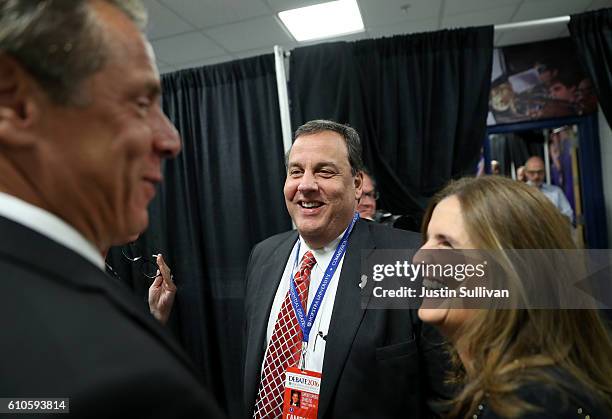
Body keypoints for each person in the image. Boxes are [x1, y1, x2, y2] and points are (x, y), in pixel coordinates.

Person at [0, 1, 223, 417]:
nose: (171, 140)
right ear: (16, 102)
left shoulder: (385, 257)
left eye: (327, 171)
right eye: (140, 103)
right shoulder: (120, 380)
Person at [243, 120, 449, 418]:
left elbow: (449, 396)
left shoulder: (410, 259)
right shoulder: (263, 256)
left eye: (325, 171)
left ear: (356, 184)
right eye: (296, 171)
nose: (307, 185)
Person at [418, 176, 612, 418]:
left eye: (446, 244)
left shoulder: (538, 405)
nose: (419, 258)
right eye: (427, 240)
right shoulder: (512, 390)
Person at [524, 156, 574, 222]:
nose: (536, 176)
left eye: (540, 172)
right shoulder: (519, 193)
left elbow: (569, 216)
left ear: (544, 172)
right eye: (532, 173)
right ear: (526, 173)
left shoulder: (556, 192)